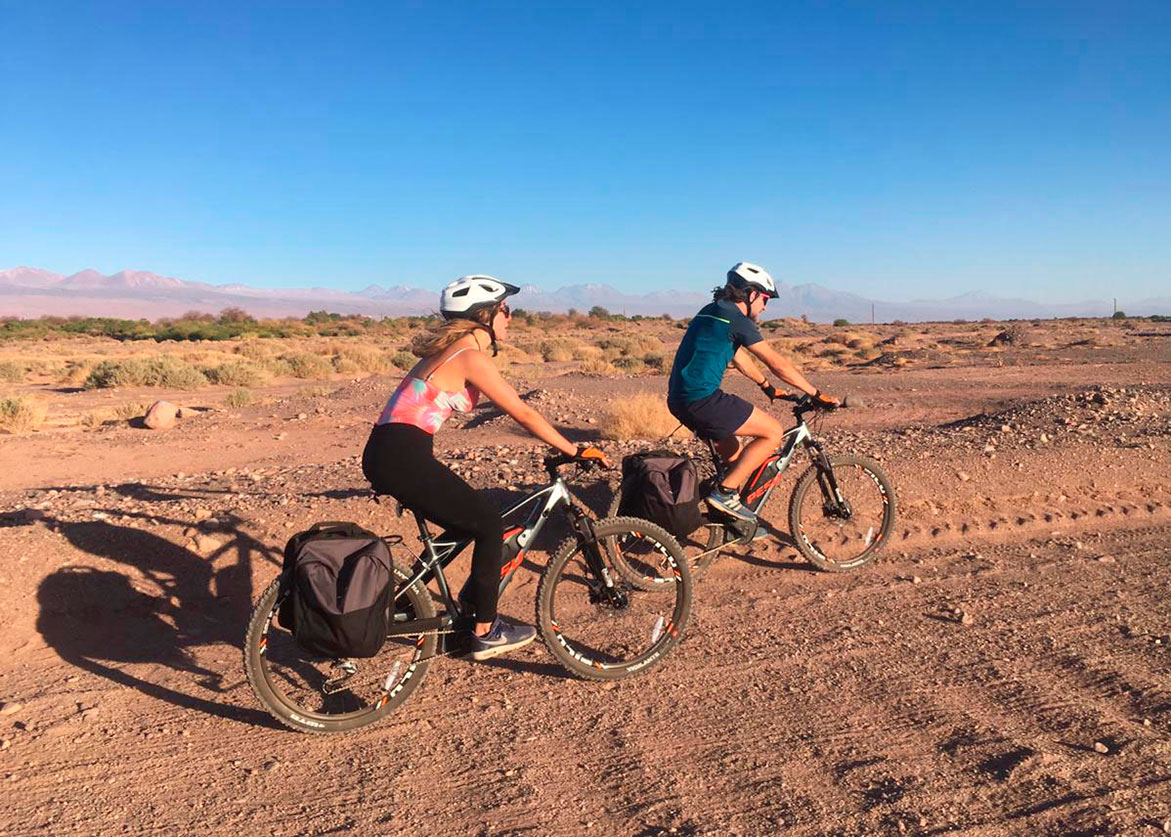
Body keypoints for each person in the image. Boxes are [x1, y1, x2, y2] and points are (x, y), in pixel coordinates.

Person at [362, 275, 607, 661]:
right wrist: (573, 449)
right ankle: (485, 630)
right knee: (490, 526)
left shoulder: (448, 351)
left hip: (391, 452)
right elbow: (522, 412)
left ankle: (411, 599)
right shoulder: (467, 356)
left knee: (467, 523)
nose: (511, 317)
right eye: (506, 310)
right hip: (401, 454)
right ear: (485, 315)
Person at [667, 262, 838, 522]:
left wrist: (766, 386)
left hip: (679, 400)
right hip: (703, 399)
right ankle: (724, 495)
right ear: (752, 294)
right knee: (773, 432)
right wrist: (815, 393)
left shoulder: (711, 311)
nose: (765, 307)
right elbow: (777, 363)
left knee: (736, 458)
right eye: (765, 299)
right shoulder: (738, 319)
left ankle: (727, 518)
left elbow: (736, 356)